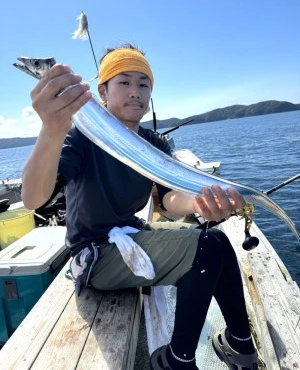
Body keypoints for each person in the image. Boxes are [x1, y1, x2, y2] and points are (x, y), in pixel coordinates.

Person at [22, 43, 258, 370]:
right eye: (124, 82)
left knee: (215, 240)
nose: (135, 92)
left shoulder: (154, 143)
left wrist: (203, 203)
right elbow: (33, 198)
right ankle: (179, 360)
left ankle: (240, 344)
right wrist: (50, 131)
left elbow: (171, 201)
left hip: (133, 235)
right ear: (101, 91)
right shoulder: (80, 137)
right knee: (207, 247)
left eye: (143, 84)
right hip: (96, 254)